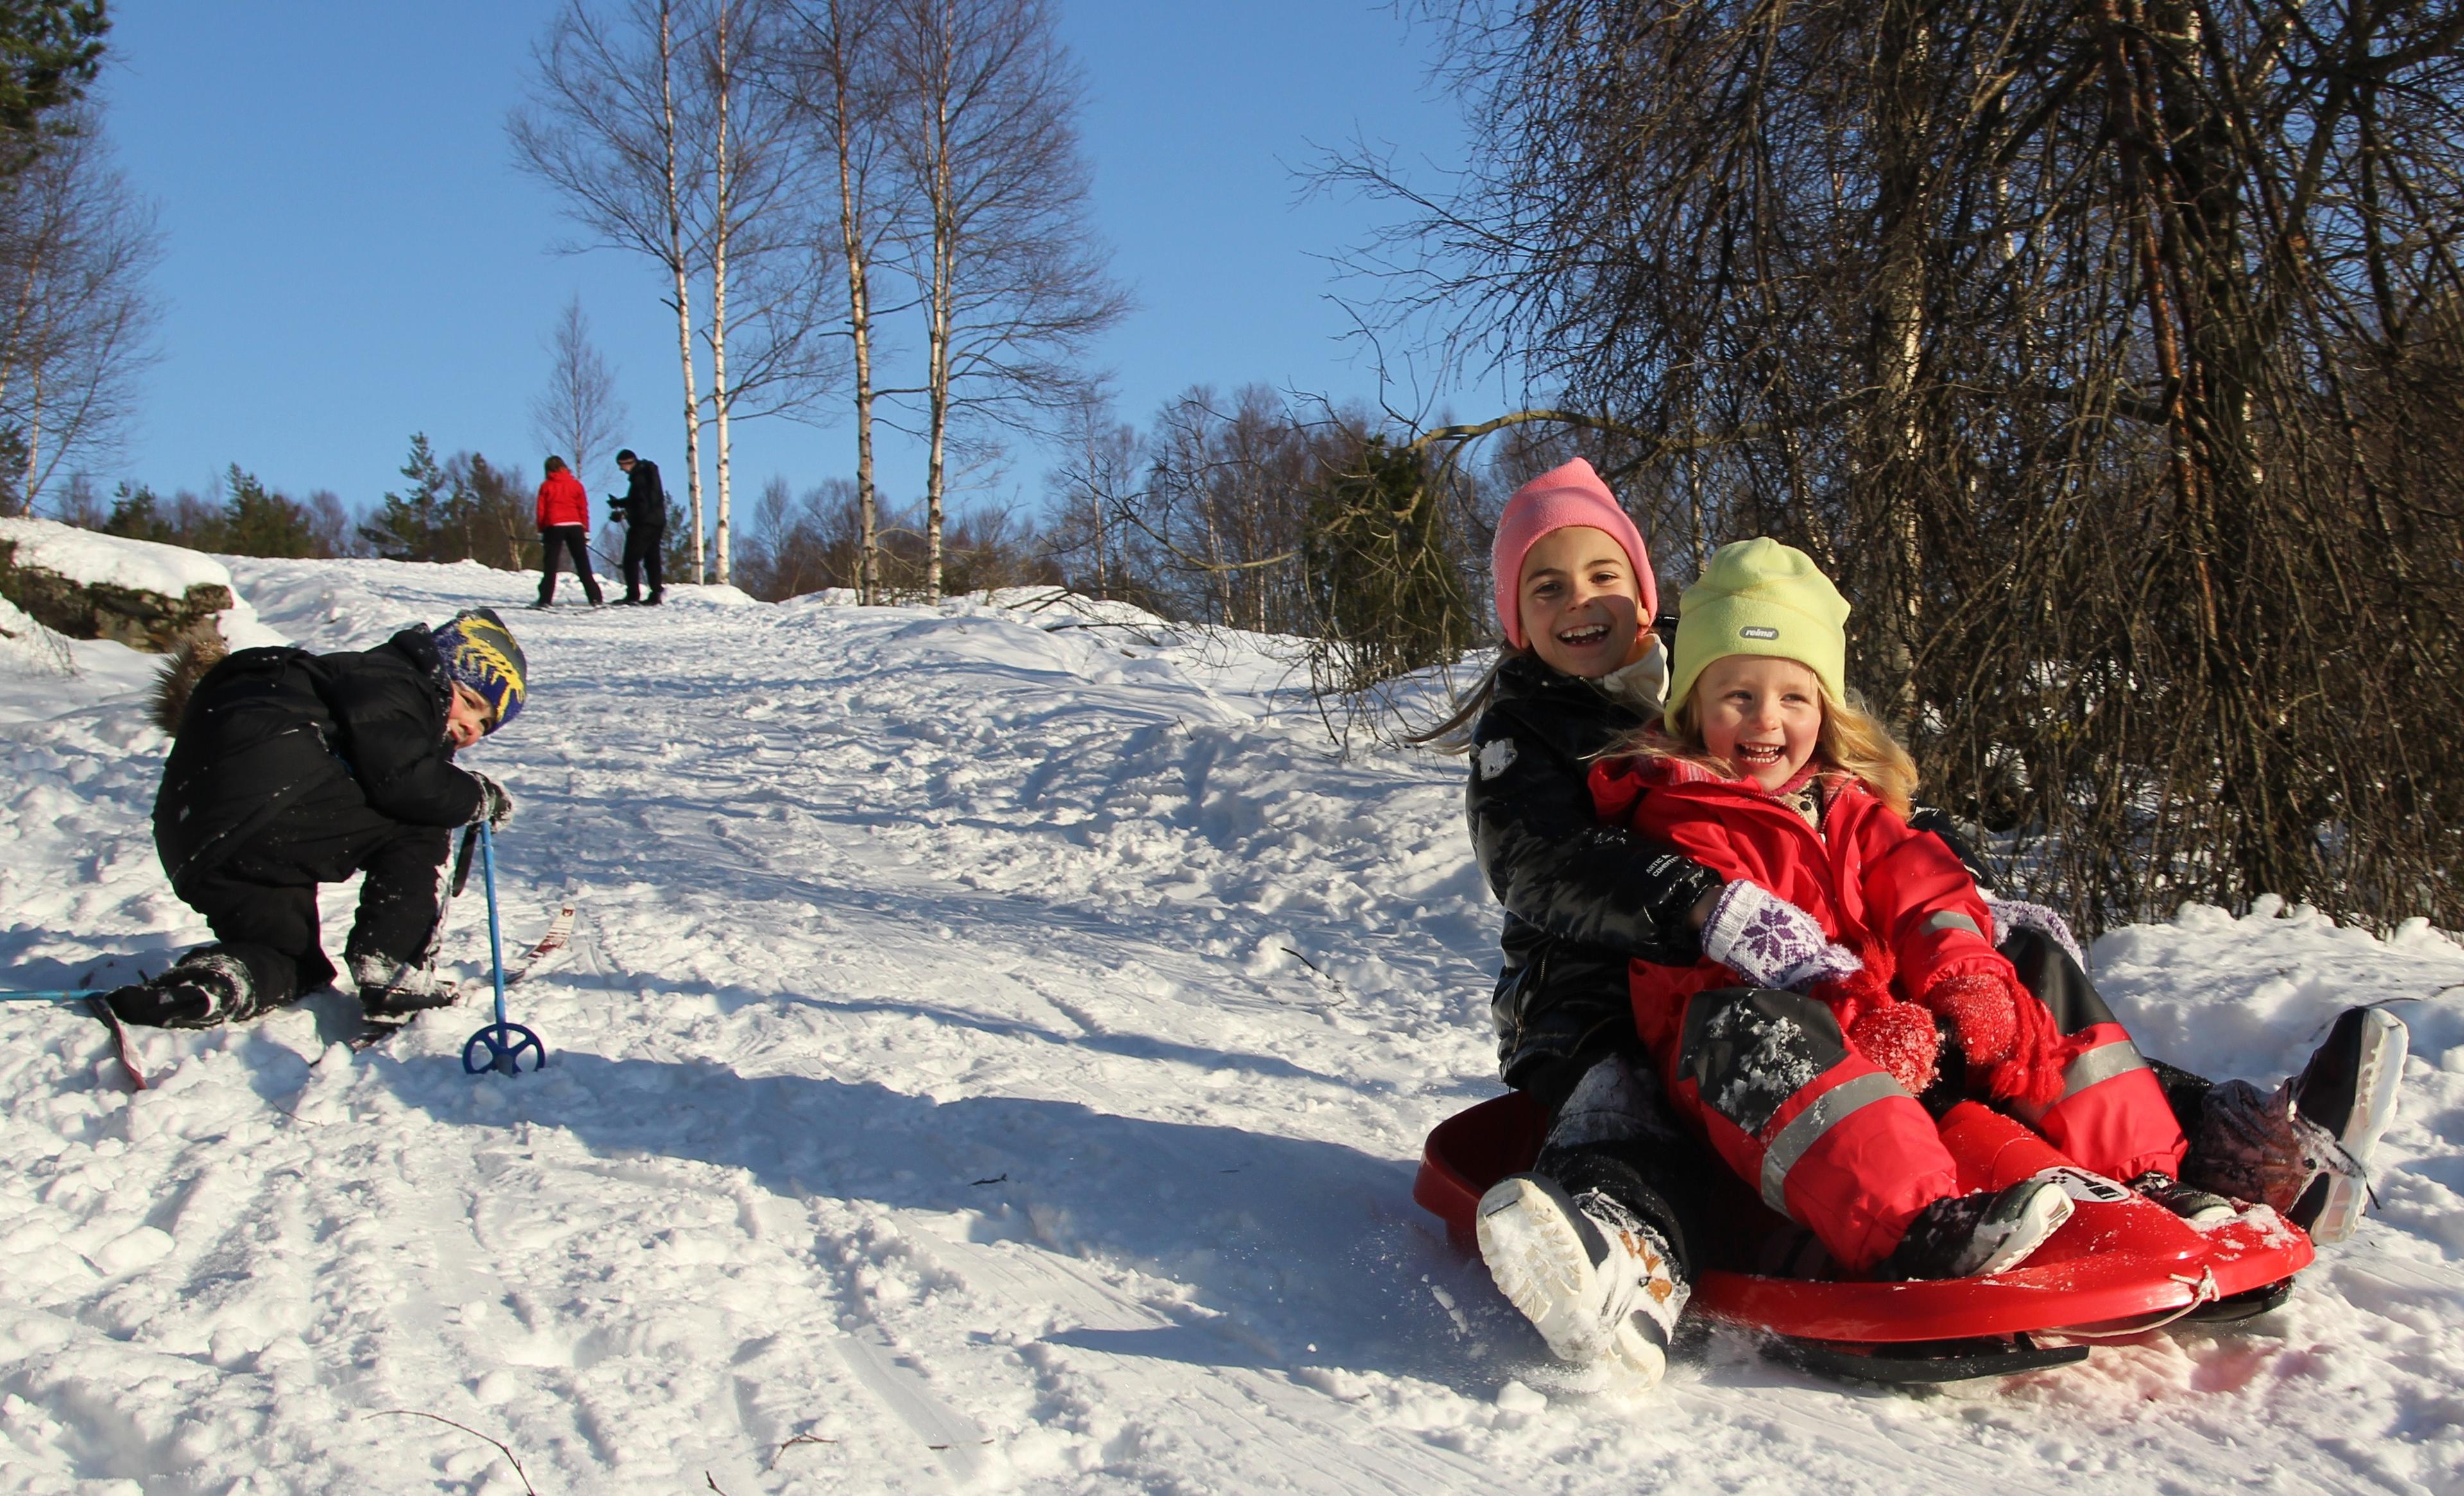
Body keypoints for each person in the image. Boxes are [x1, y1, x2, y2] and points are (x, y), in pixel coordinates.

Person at [1448, 459, 2408, 1384]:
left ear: (1646, 595)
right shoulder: (1547, 739)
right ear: (1515, 618)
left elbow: (1884, 839)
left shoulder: (1699, 689)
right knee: (1626, 1111)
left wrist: (1966, 925)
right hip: (1599, 1005)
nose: (1581, 600)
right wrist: (1710, 906)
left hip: (1832, 984)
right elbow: (1543, 860)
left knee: (2016, 977)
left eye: (1603, 573)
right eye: (1547, 586)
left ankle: (2227, 1150)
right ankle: (1627, 1258)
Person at [105, 608, 526, 1029]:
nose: (471, 725)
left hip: (197, 842)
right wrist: (477, 794)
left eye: (486, 724)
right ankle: (394, 968)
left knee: (290, 958)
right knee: (426, 812)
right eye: (470, 701)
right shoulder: (397, 677)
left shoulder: (363, 685)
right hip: (271, 805)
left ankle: (211, 987)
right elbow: (408, 783)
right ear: (441, 667)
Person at [534, 455, 603, 608]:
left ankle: (545, 599)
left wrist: (541, 530)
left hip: (554, 525)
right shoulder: (576, 485)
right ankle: (595, 597)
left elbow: (541, 510)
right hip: (575, 525)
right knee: (582, 563)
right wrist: (586, 530)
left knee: (550, 565)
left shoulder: (546, 486)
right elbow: (583, 509)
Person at [610, 448, 665, 606]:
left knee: (630, 559)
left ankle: (633, 595)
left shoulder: (639, 478)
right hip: (657, 521)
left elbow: (641, 503)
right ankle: (655, 594)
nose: (621, 469)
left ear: (629, 463)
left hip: (643, 523)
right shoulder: (648, 473)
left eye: (621, 466)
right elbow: (640, 499)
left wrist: (624, 514)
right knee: (652, 558)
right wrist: (619, 503)